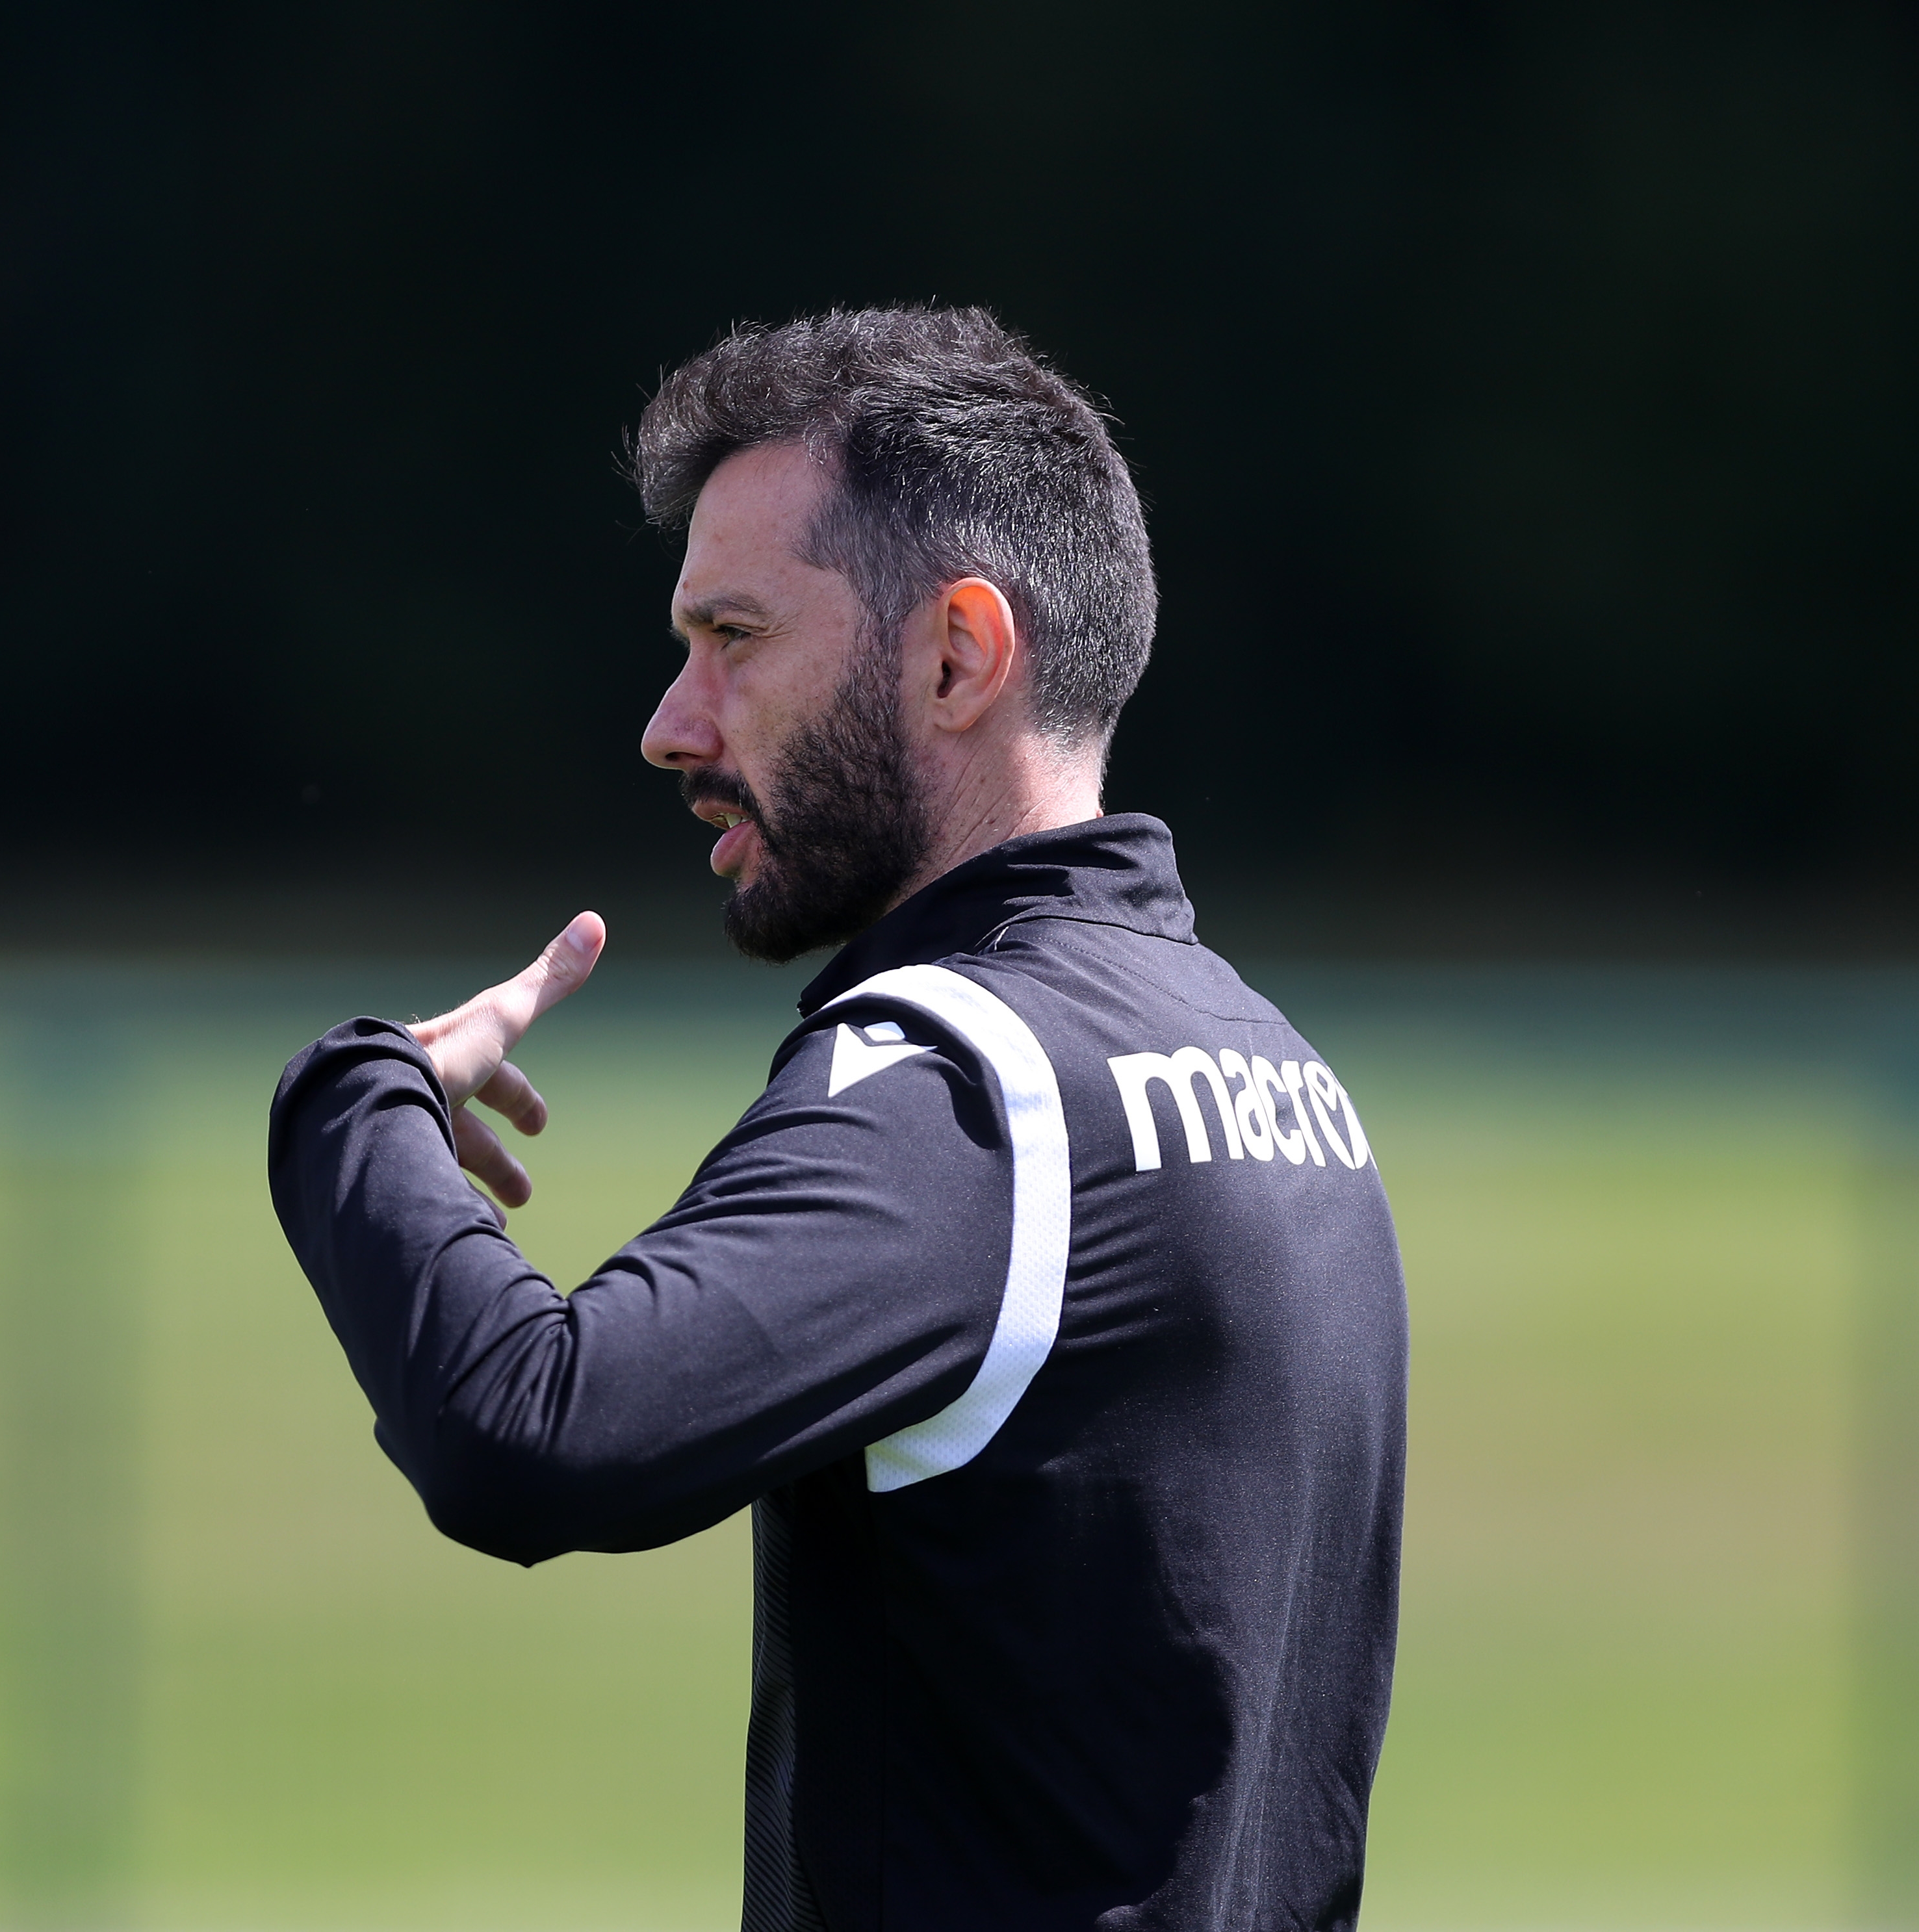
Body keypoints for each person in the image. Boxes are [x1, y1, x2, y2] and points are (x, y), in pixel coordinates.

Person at [265, 307, 1406, 1931]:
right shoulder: (1274, 1069)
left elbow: (525, 1430)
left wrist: (353, 1100)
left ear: (957, 653)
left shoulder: (967, 1082)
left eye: (735, 636)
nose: (672, 721)